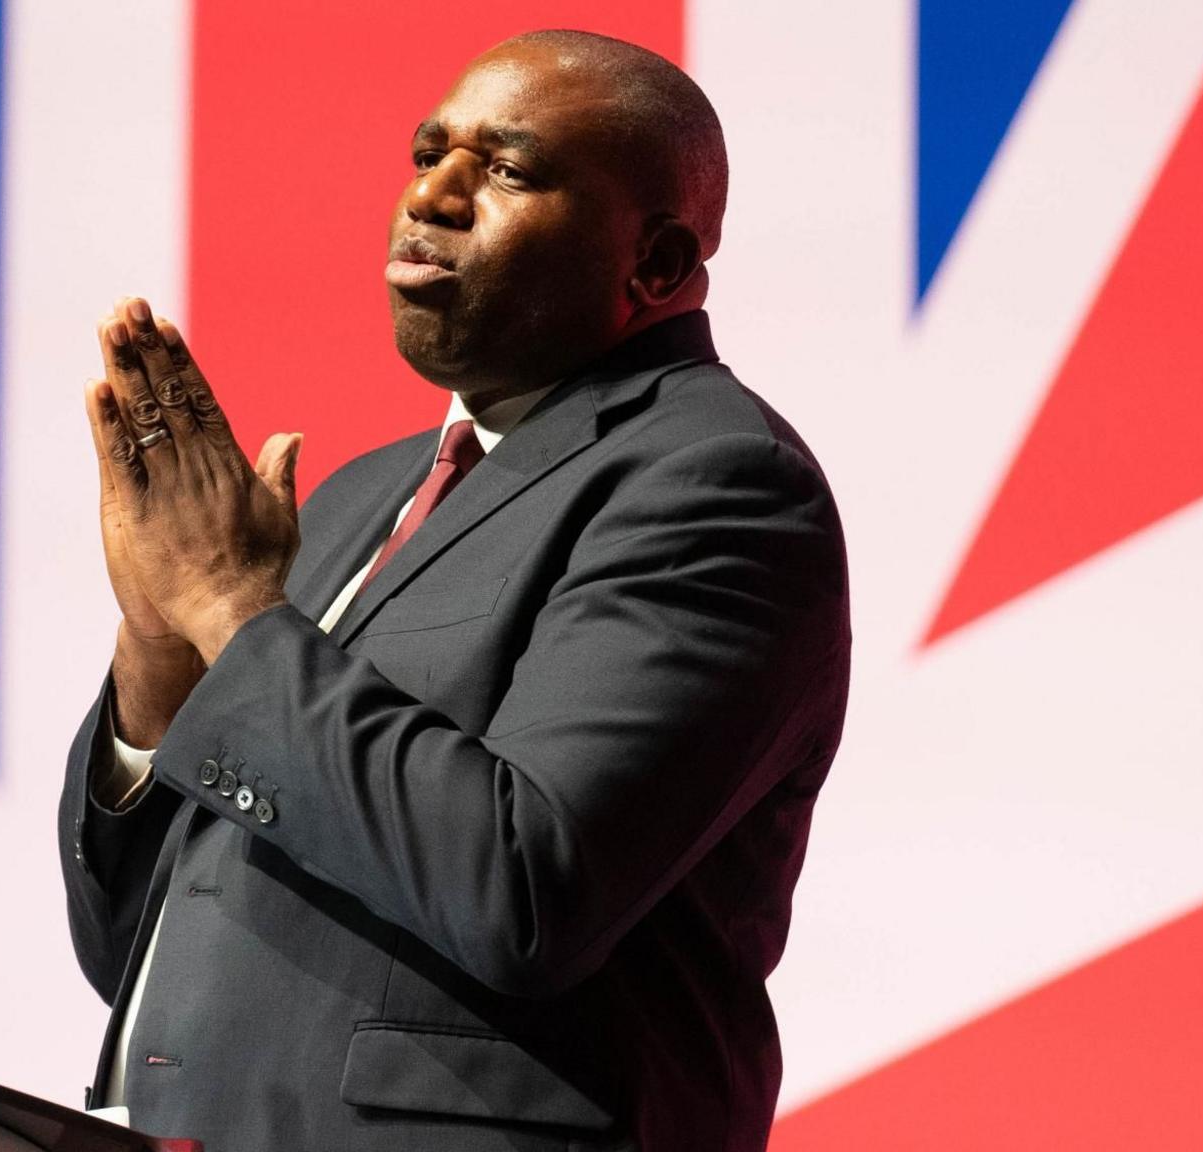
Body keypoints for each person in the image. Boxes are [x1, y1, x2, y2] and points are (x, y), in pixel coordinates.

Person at [58, 29, 850, 1152]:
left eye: (507, 168)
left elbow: (528, 891)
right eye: (427, 154)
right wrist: (160, 643)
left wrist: (235, 611)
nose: (431, 194)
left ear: (657, 265)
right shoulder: (357, 500)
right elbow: (135, 936)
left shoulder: (715, 483)